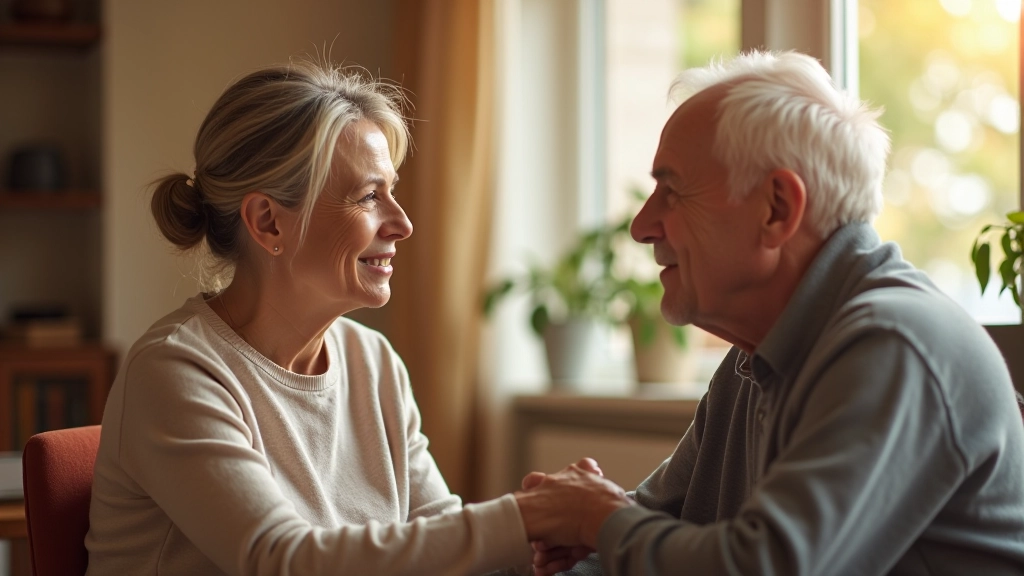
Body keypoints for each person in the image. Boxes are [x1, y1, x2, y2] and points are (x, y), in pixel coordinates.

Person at [513, 50, 1024, 575]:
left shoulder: (894, 343)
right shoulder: (751, 363)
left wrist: (598, 519)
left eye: (672, 192)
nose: (642, 226)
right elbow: (639, 539)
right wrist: (568, 534)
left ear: (777, 209)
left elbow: (762, 566)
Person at [84, 61, 533, 575]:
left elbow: (443, 541)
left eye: (392, 190)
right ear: (268, 221)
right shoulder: (175, 373)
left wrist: (551, 540)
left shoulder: (373, 363)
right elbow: (283, 562)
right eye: (368, 196)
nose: (402, 223)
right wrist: (523, 520)